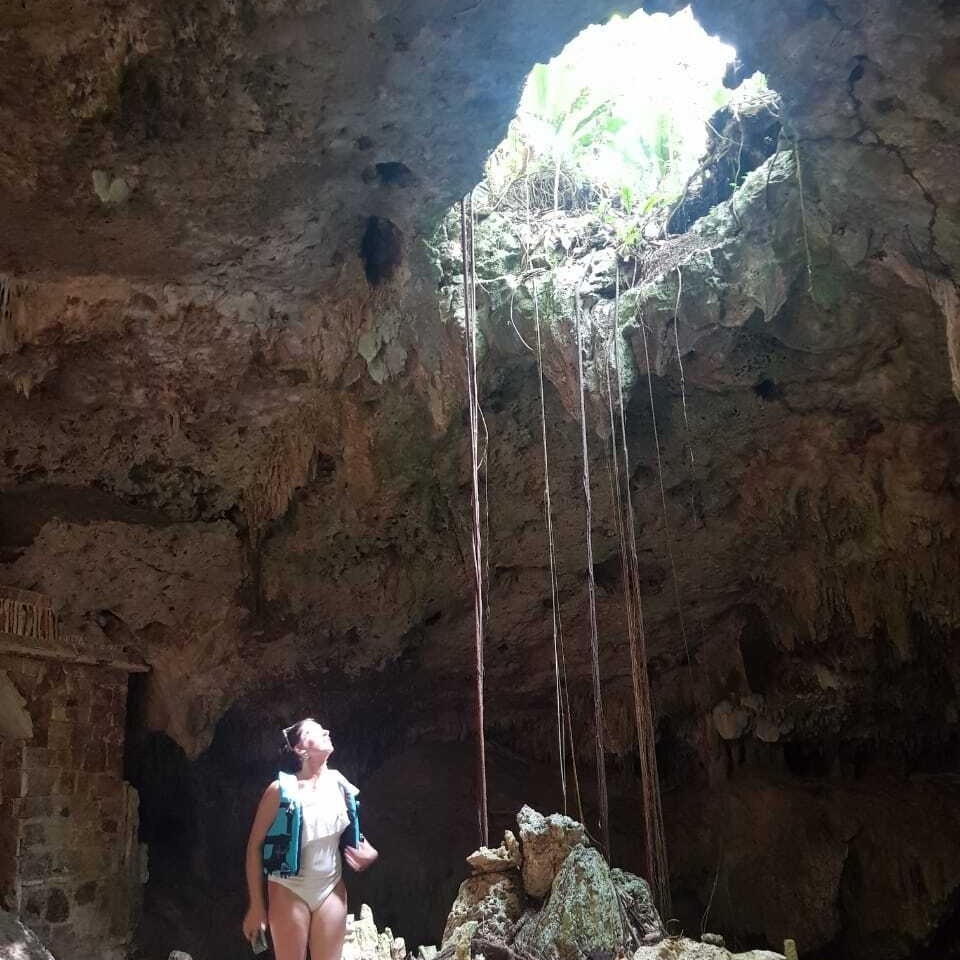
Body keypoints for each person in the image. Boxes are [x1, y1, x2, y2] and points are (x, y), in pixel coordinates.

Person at [243, 719, 364, 960]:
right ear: (300, 749)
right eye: (316, 731)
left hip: (331, 886)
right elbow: (254, 848)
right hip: (290, 888)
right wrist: (256, 905)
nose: (327, 731)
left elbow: (350, 833)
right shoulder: (280, 791)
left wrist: (363, 850)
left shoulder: (341, 785)